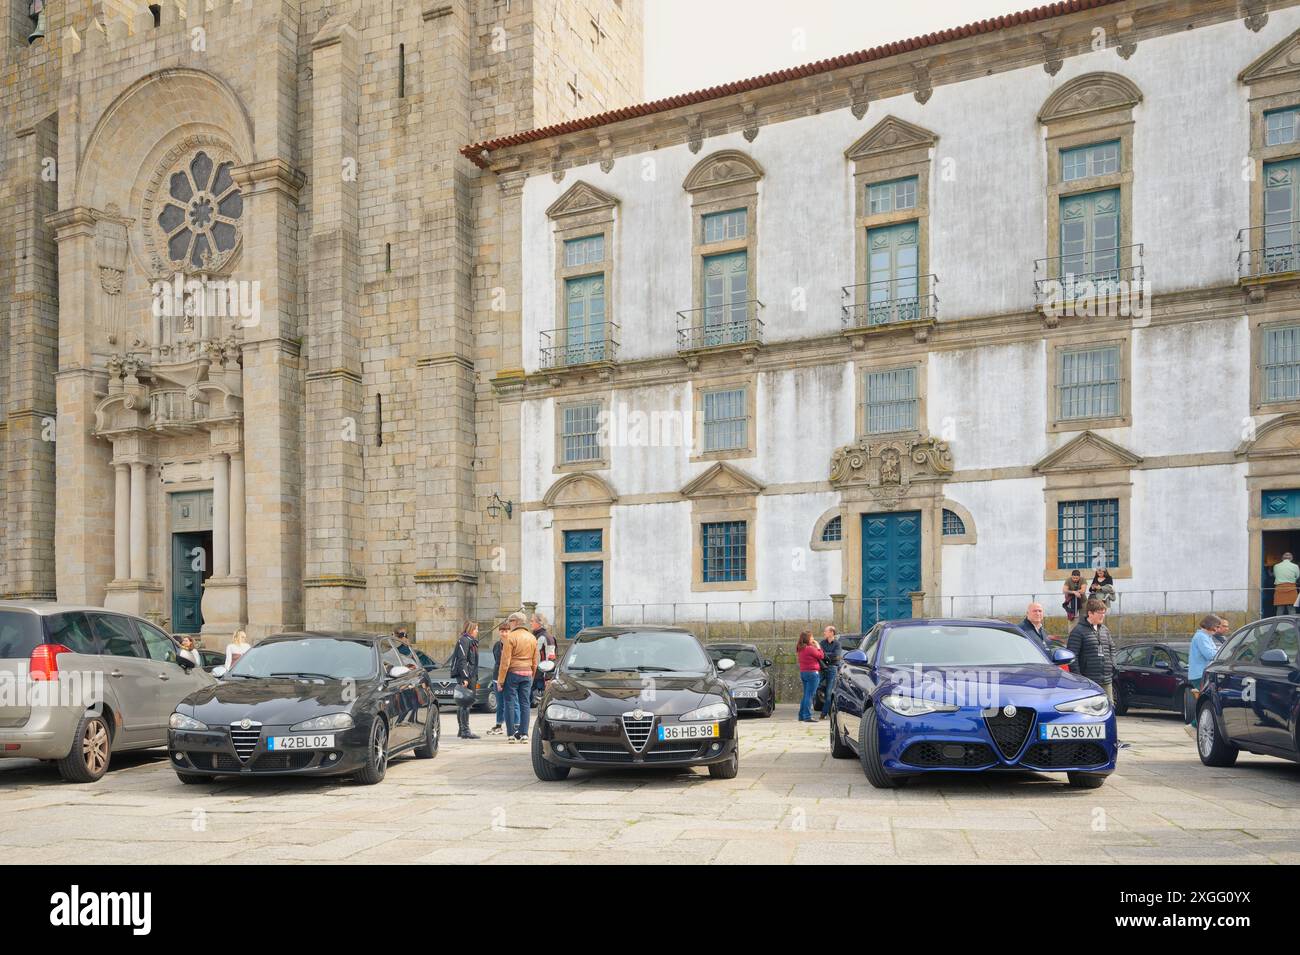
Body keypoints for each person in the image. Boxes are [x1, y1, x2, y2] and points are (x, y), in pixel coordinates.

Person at [495, 612, 539, 742]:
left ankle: (511, 734)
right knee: (525, 703)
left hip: (513, 673)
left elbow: (505, 661)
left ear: (515, 622)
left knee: (509, 702)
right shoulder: (532, 638)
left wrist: (500, 680)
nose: (509, 624)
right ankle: (524, 733)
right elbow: (535, 661)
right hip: (527, 673)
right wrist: (532, 675)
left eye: (510, 621)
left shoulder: (510, 637)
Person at [1066, 599, 1116, 704]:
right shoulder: (1078, 631)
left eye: (1104, 613)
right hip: (1089, 681)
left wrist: (1112, 664)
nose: (1102, 616)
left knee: (1110, 708)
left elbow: (1112, 648)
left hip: (1106, 679)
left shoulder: (1105, 630)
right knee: (1091, 710)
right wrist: (1079, 678)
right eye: (1099, 613)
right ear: (1090, 613)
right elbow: (1072, 657)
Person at [1185, 614, 1222, 736]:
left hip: (1201, 673)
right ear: (1210, 625)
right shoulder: (1201, 637)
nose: (1217, 630)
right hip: (1199, 674)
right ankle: (1194, 726)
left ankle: (1195, 727)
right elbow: (1210, 655)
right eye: (1216, 626)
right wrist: (1223, 652)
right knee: (1207, 702)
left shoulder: (1206, 636)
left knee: (1207, 702)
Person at [448, 621, 481, 740]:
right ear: (471, 629)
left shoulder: (471, 641)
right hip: (466, 676)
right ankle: (465, 730)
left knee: (464, 703)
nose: (477, 631)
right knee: (465, 702)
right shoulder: (464, 640)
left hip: (471, 674)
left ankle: (462, 730)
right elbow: (462, 660)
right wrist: (465, 677)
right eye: (476, 629)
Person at [486, 622, 510, 736]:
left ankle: (514, 724)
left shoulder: (511, 644)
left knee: (511, 702)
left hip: (509, 676)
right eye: (502, 631)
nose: (504, 633)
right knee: (500, 702)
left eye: (506, 631)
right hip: (497, 676)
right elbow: (498, 660)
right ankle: (499, 724)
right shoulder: (497, 645)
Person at [796, 630, 824, 723]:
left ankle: (801, 715)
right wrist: (818, 646)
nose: (813, 639)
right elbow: (821, 656)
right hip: (812, 673)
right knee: (810, 695)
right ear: (807, 638)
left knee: (806, 695)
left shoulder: (800, 648)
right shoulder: (810, 648)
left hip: (804, 673)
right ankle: (807, 716)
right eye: (811, 637)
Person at [531, 612, 556, 704]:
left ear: (539, 623)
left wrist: (548, 677)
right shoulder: (534, 635)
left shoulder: (547, 637)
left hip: (541, 676)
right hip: (534, 674)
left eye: (532, 621)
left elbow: (551, 658)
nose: (530, 623)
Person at [817, 626, 841, 720]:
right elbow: (819, 654)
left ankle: (824, 714)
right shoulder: (822, 643)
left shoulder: (837, 644)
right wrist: (828, 655)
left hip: (832, 669)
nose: (824, 633)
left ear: (831, 632)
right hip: (822, 668)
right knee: (815, 686)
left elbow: (836, 656)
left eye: (825, 631)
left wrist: (825, 655)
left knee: (829, 692)